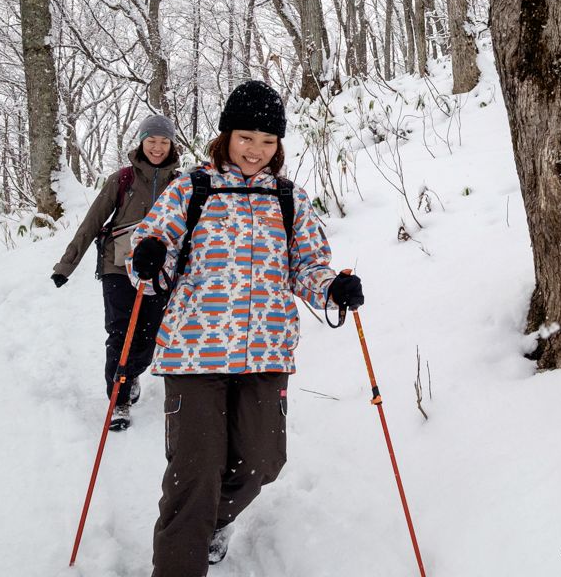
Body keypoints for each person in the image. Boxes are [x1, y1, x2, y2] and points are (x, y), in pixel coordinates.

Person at [127, 80, 364, 575]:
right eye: (246, 138)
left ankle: (212, 522)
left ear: (279, 146)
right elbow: (153, 252)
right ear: (225, 136)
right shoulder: (192, 189)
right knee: (194, 473)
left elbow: (309, 269)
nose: (256, 150)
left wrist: (333, 290)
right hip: (194, 352)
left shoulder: (288, 198)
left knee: (262, 463)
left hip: (266, 352)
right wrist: (148, 257)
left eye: (268, 141)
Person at [51, 114, 181, 432]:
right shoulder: (121, 180)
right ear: (141, 141)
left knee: (150, 336)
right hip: (117, 267)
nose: (157, 147)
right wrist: (67, 264)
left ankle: (132, 372)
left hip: (159, 273)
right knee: (120, 333)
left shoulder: (180, 183)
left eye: (164, 141)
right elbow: (92, 222)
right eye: (152, 140)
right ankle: (119, 398)